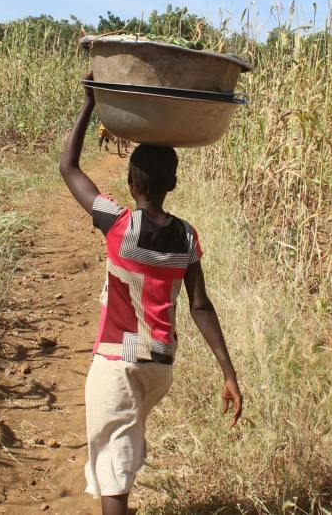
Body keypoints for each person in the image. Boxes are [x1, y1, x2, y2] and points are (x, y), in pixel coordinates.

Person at [59, 73, 243, 515]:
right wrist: (228, 372)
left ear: (130, 182)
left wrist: (89, 104)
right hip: (159, 366)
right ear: (172, 184)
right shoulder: (187, 236)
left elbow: (69, 168)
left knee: (112, 470)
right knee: (124, 444)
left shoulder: (118, 224)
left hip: (118, 364)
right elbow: (200, 305)